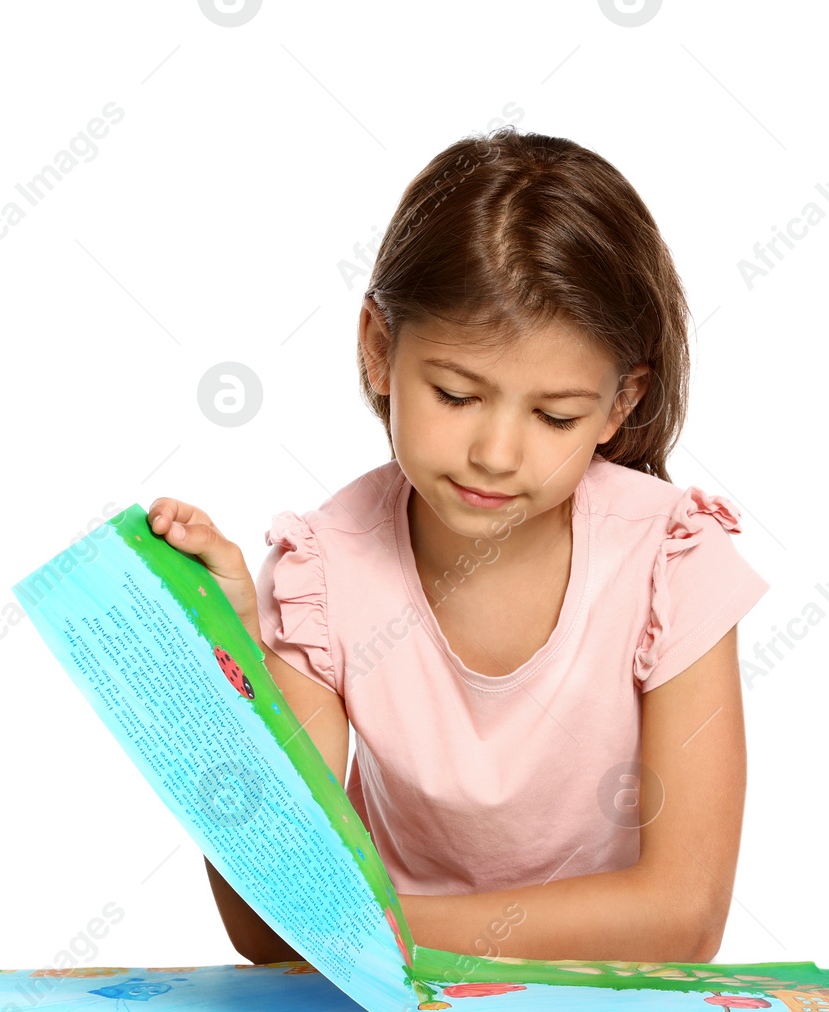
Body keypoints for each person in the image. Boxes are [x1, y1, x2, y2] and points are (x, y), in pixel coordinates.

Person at [148, 128, 768, 966]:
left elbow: (684, 919)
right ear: (379, 348)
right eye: (457, 393)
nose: (497, 454)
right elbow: (268, 925)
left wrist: (370, 929)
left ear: (621, 405)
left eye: (555, 416)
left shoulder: (670, 561)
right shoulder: (322, 576)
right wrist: (234, 679)